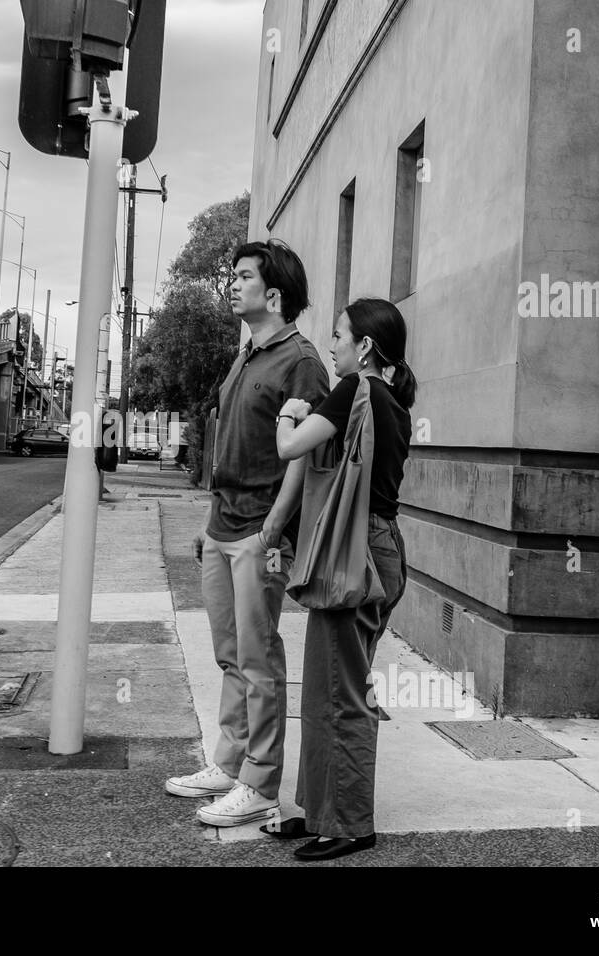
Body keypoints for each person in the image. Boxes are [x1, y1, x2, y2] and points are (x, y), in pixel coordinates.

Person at [164, 240, 330, 827]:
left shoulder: (302, 362)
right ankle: (230, 764)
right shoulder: (245, 355)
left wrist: (273, 531)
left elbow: (301, 459)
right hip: (221, 527)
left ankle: (260, 784)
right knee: (231, 655)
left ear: (274, 294)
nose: (231, 285)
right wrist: (209, 526)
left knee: (260, 661)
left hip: (261, 533)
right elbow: (228, 441)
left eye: (242, 277)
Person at [270, 297, 417, 860]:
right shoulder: (393, 402)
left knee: (342, 694)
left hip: (355, 554)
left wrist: (290, 410)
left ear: (365, 348)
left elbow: (289, 447)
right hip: (380, 549)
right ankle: (321, 811)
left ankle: (352, 823)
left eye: (338, 336)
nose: (331, 346)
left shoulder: (354, 390)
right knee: (327, 687)